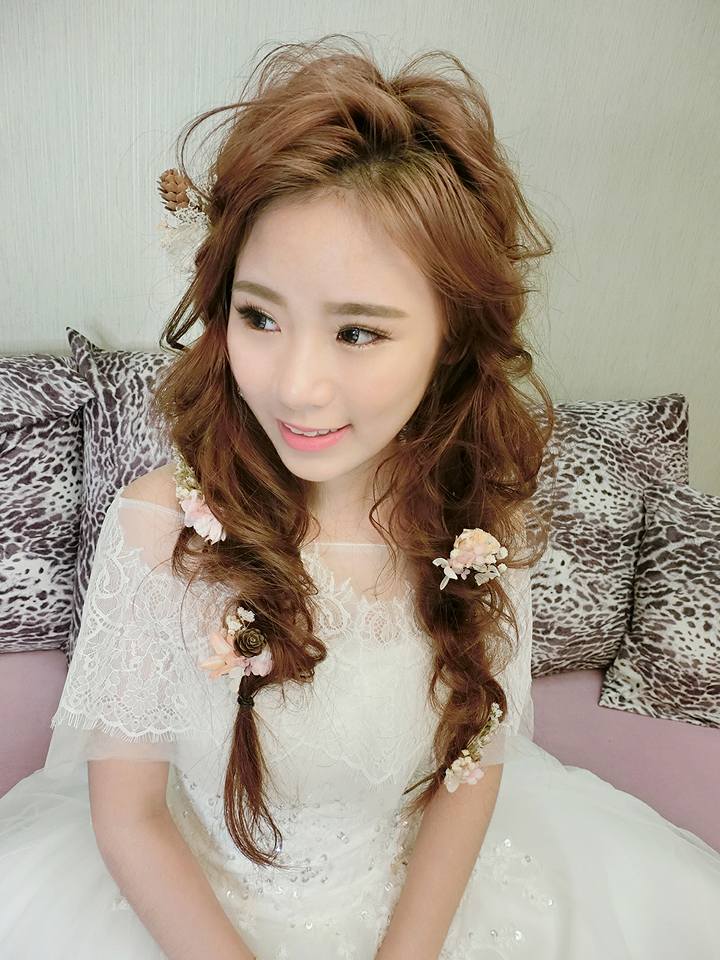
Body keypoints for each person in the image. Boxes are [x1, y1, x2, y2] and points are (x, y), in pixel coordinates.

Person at [1, 34, 718, 960]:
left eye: (358, 333)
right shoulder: (155, 528)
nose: (296, 386)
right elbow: (130, 816)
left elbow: (472, 765)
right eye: (259, 316)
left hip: (415, 904)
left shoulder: (483, 530)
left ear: (451, 337)